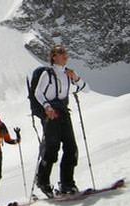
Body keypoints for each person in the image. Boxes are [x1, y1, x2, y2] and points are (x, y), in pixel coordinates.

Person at [34, 45, 89, 197]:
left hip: (64, 114)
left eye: (65, 52)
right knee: (52, 149)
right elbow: (38, 93)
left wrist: (75, 78)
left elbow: (86, 88)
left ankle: (67, 183)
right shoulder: (47, 74)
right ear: (53, 57)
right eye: (61, 53)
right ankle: (43, 180)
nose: (65, 55)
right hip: (51, 115)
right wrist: (46, 106)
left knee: (71, 148)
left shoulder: (68, 73)